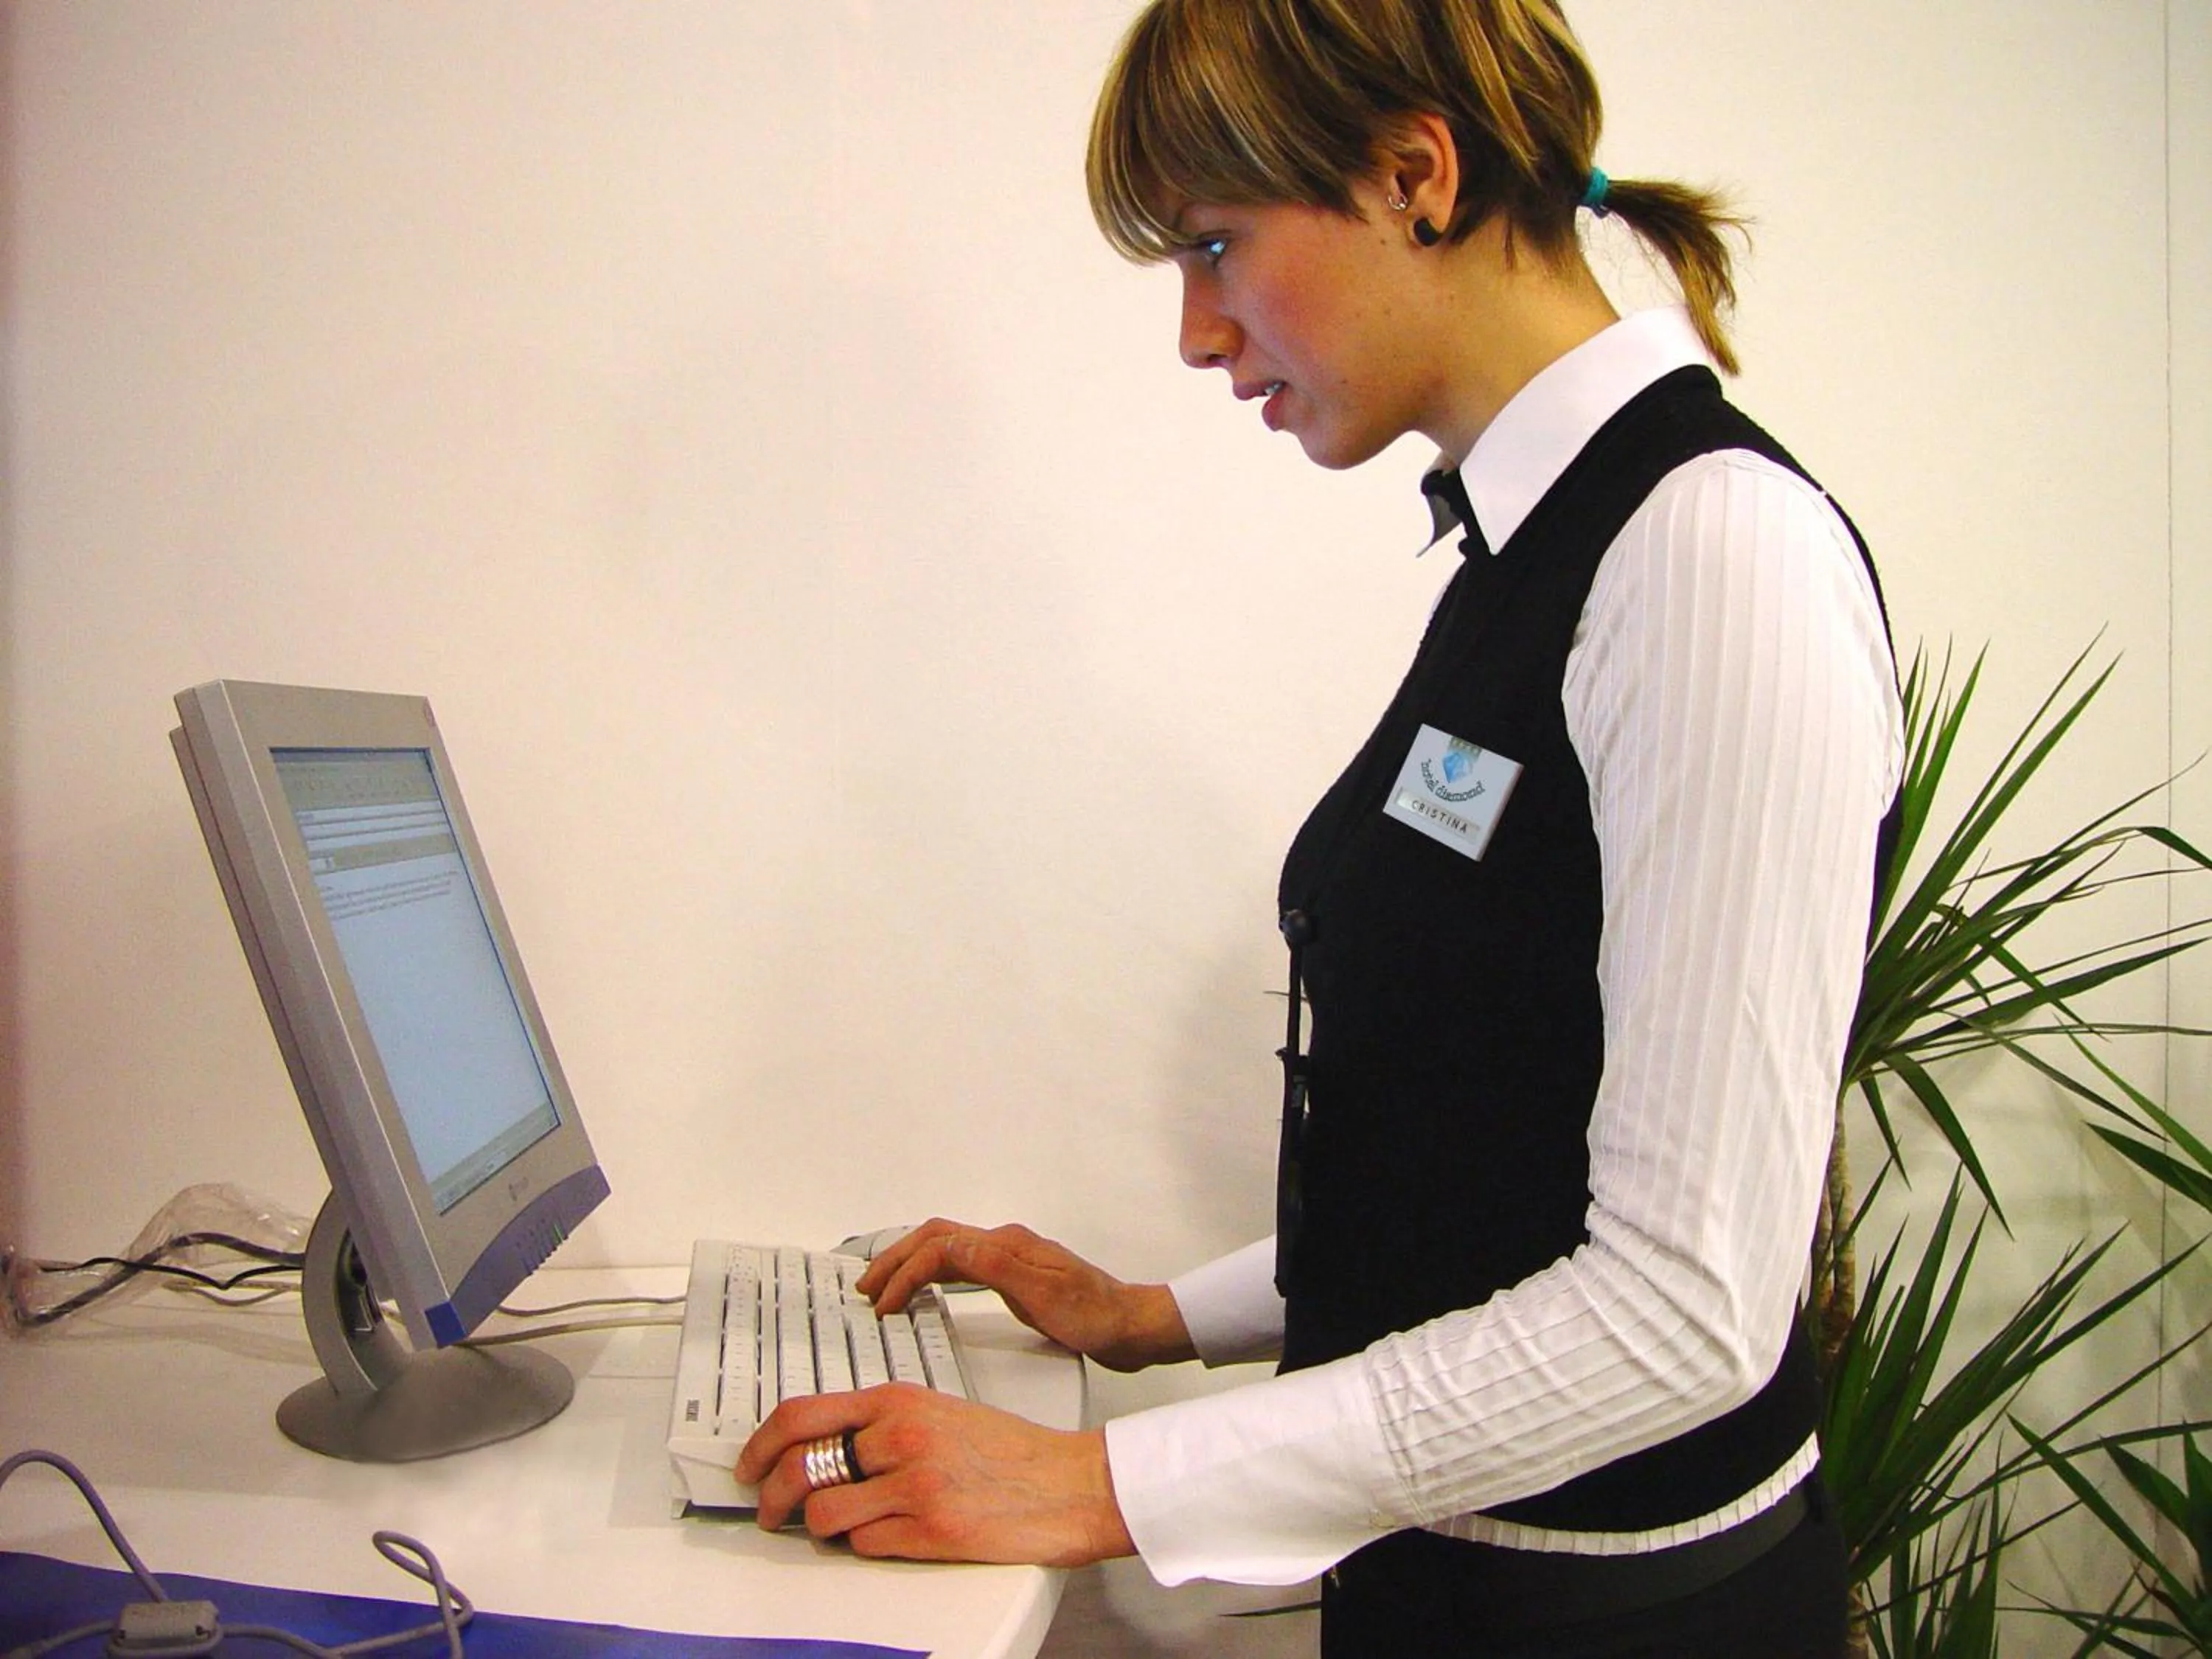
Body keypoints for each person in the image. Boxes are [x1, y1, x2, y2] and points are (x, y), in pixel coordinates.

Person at [736, 1, 1904, 1652]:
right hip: (1445, 1590)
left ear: (1413, 175)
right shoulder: (1528, 553)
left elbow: (1684, 1313)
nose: (1198, 333)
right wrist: (1156, 1317)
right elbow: (1492, 1155)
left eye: (1217, 245)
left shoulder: (1711, 560)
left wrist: (1101, 1485)